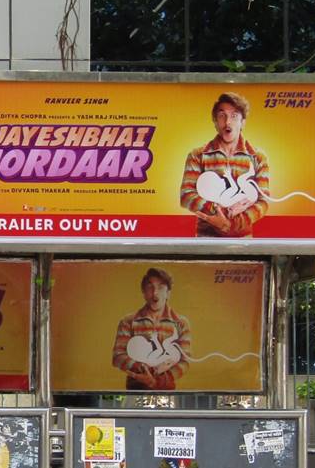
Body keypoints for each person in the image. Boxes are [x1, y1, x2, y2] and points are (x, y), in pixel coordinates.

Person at [179, 91, 270, 237]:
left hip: (244, 241)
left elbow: (263, 201)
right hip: (205, 239)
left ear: (243, 122)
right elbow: (186, 196)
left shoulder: (258, 157)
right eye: (222, 116)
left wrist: (231, 224)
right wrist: (216, 210)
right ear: (215, 122)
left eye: (234, 116)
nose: (227, 122)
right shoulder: (197, 155)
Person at [112, 267, 193, 391]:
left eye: (161, 287)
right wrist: (145, 370)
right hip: (135, 392)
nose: (155, 292)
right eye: (150, 287)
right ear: (144, 292)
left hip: (167, 394)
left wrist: (156, 381)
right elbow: (118, 357)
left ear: (168, 293)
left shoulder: (181, 323)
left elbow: (185, 362)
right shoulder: (128, 321)